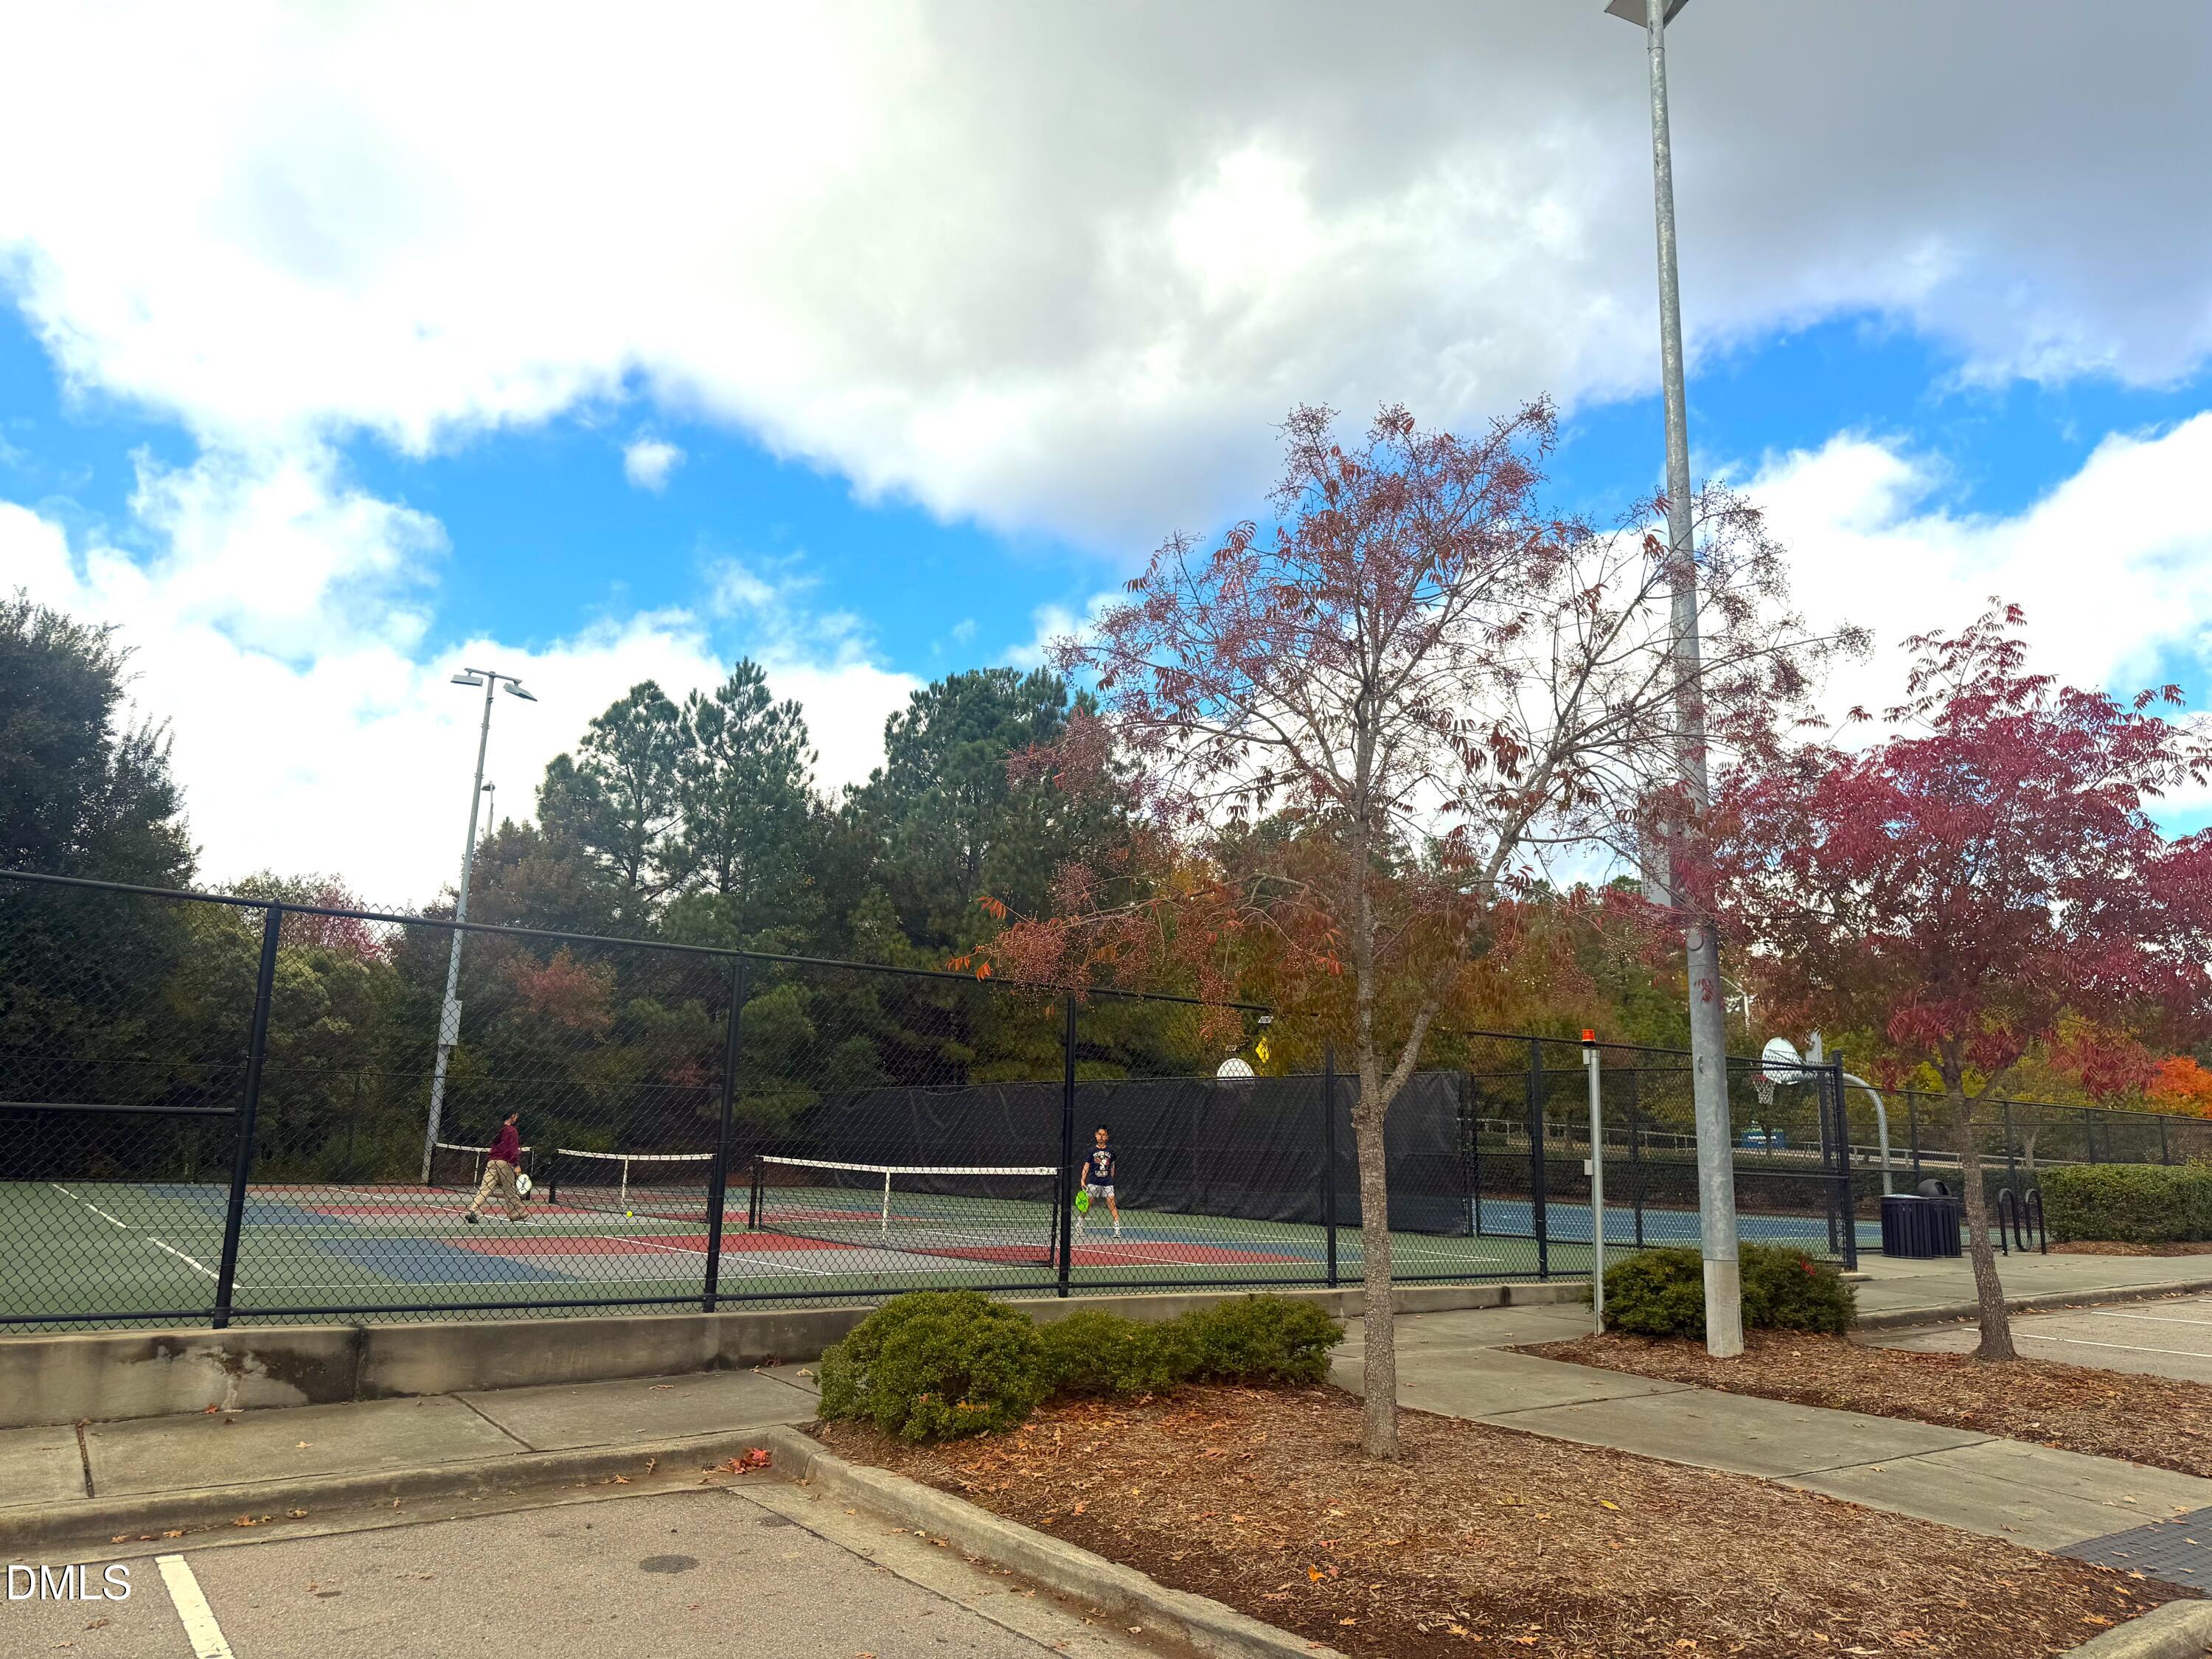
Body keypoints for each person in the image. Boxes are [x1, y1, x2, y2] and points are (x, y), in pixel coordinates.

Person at [465, 1111, 529, 1224]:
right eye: (517, 1115)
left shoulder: (498, 1130)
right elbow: (513, 1149)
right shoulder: (512, 1131)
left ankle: (473, 1210)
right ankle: (516, 1212)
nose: (517, 1118)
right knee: (509, 1189)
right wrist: (516, 1164)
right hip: (504, 1162)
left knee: (485, 1188)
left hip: (492, 1161)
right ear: (512, 1116)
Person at [1074, 1123, 1121, 1239]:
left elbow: (1113, 1166)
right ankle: (1079, 1224)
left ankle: (1117, 1229)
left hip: (1107, 1182)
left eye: (1104, 1135)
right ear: (1096, 1135)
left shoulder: (1111, 1151)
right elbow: (1086, 1166)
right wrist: (1082, 1180)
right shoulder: (1091, 1151)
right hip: (1093, 1182)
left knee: (1112, 1204)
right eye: (1099, 1134)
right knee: (1087, 1205)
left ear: (1107, 1137)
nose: (1101, 1137)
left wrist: (1110, 1179)